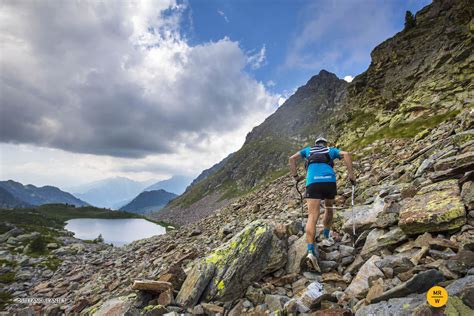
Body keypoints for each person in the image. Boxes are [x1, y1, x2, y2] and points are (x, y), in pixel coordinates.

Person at [288, 136, 355, 272]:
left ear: (315, 144)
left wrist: (295, 176)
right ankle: (326, 236)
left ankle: (310, 252)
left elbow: (291, 159)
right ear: (325, 143)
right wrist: (351, 175)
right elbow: (346, 154)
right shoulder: (330, 150)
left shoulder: (308, 150)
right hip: (329, 181)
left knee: (312, 215)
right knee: (329, 208)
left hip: (313, 182)